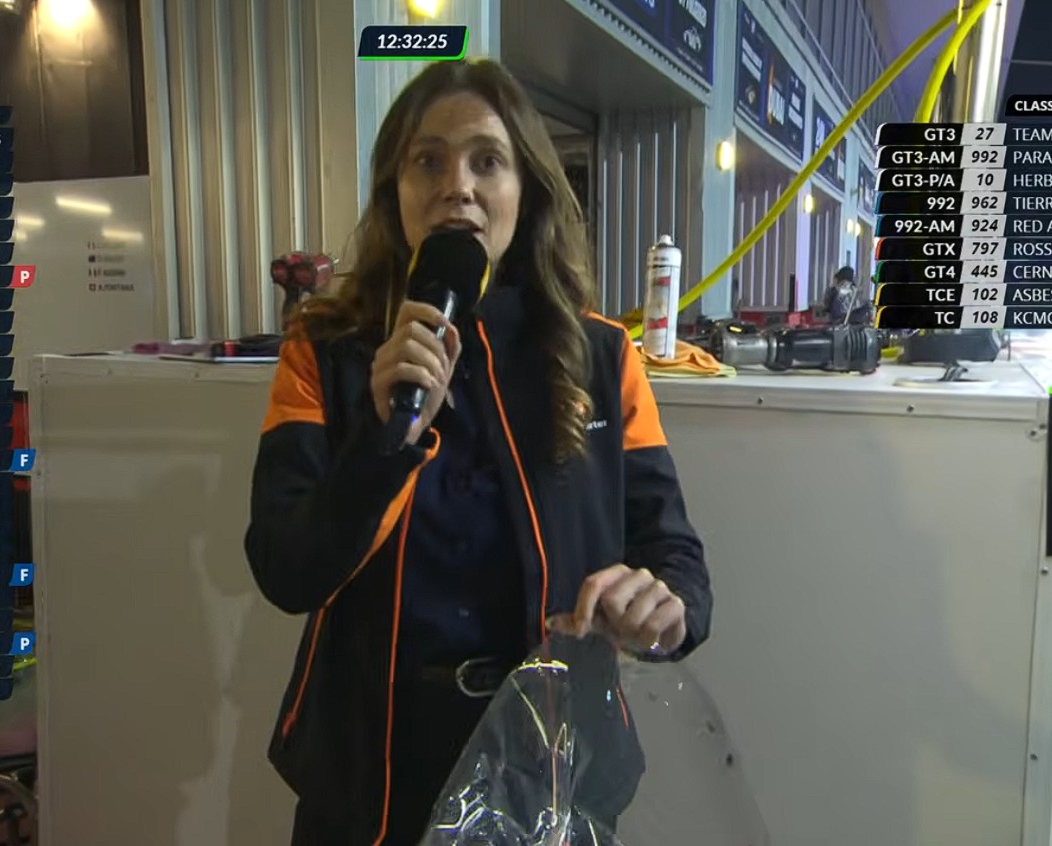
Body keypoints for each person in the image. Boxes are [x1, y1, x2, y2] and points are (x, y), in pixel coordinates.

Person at [244, 57, 712, 846]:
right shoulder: (323, 350)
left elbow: (676, 561)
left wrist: (664, 610)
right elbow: (285, 569)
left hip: (554, 769)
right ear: (393, 191)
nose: (455, 186)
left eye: (486, 161)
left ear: (524, 190)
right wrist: (383, 440)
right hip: (369, 775)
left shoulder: (601, 356)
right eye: (426, 161)